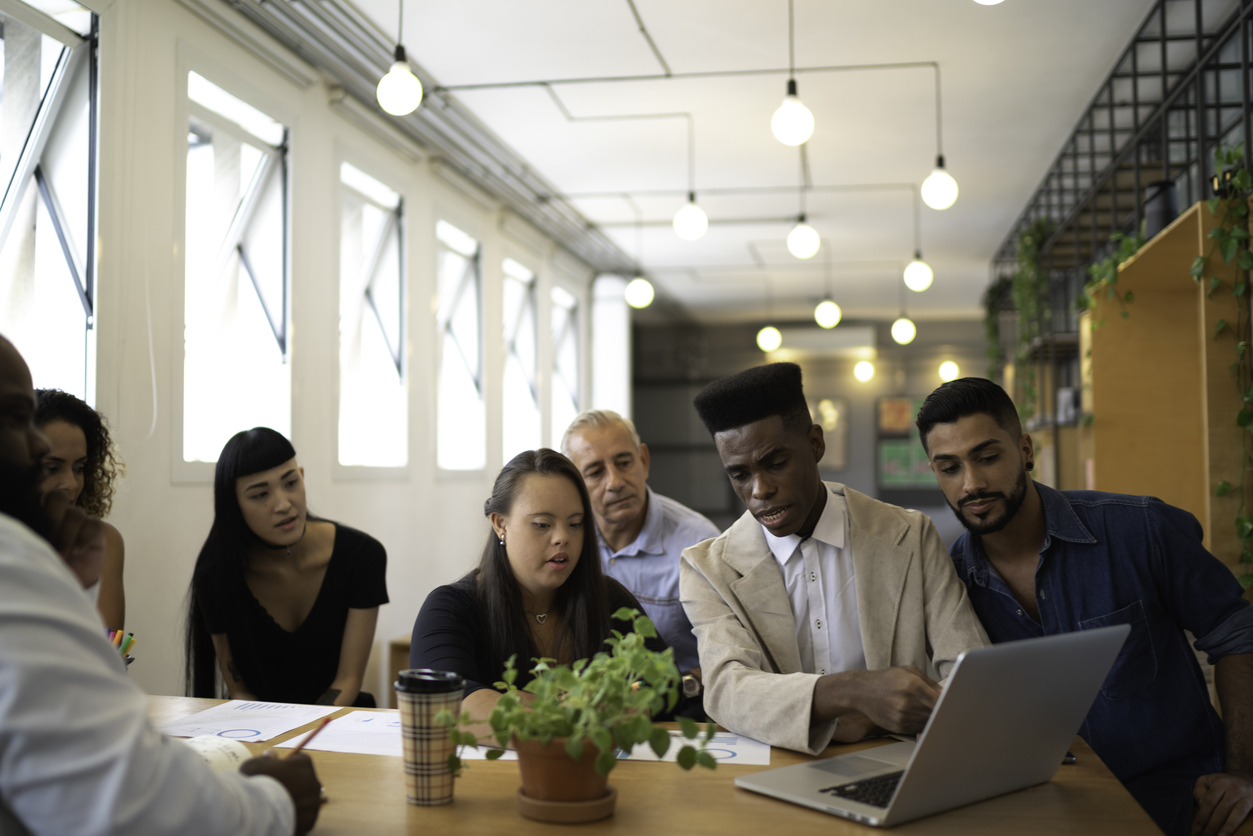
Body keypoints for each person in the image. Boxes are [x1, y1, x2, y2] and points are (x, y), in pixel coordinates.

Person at [0, 334, 321, 835]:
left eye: (80, 466)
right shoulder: (14, 562)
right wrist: (274, 804)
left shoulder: (77, 548)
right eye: (16, 418)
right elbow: (120, 798)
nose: (283, 503)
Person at [916, 377, 1253, 836]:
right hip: (1049, 813)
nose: (971, 484)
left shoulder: (1140, 528)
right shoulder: (946, 582)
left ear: (1026, 450)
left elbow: (1237, 634)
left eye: (988, 457)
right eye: (949, 468)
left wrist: (1243, 772)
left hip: (1186, 803)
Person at [680, 362, 988, 755]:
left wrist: (869, 719)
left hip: (894, 763)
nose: (760, 489)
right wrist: (853, 691)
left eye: (776, 463)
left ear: (815, 444)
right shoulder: (708, 568)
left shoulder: (911, 536)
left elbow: (971, 671)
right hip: (776, 775)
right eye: (739, 474)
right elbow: (727, 691)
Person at [410, 448, 669, 718]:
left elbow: (663, 682)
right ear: (501, 524)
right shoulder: (450, 608)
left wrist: (517, 703)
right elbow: (443, 700)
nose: (562, 538)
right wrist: (577, 708)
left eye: (575, 523)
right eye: (542, 524)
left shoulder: (608, 598)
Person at [186, 428, 388, 707]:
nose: (283, 504)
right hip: (257, 725)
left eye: (290, 483)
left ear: (302, 477)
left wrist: (302, 736)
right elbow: (241, 691)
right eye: (259, 495)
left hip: (338, 723)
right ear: (234, 505)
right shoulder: (216, 575)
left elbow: (348, 680)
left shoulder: (362, 555)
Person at [561, 409, 718, 702]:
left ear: (643, 460)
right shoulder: (565, 542)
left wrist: (671, 694)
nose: (615, 482)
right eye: (595, 472)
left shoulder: (699, 543)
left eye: (624, 463)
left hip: (679, 711)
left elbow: (731, 656)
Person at [35, 388, 126, 631]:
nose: (71, 484)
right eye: (52, 469)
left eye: (78, 468)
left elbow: (110, 650)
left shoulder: (104, 541)